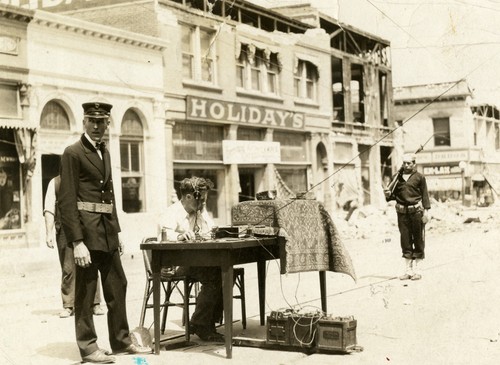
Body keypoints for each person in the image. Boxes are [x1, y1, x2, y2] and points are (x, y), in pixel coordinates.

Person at [58, 102, 150, 364]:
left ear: (108, 123)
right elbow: (66, 201)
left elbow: (109, 196)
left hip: (107, 233)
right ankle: (88, 348)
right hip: (86, 236)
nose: (97, 127)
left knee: (117, 285)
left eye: (102, 122)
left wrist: (116, 231)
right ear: (84, 122)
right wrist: (76, 242)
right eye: (92, 121)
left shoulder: (105, 152)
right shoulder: (73, 153)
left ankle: (120, 342)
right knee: (86, 294)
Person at [157, 177, 224, 342]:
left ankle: (205, 323)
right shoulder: (171, 212)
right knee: (215, 274)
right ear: (188, 197)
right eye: (200, 200)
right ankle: (201, 324)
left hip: (198, 261)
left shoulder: (199, 212)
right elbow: (162, 236)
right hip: (176, 265)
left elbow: (210, 230)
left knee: (222, 270)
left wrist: (207, 225)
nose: (202, 204)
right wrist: (180, 236)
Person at [44, 175, 105, 318]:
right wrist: (49, 233)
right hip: (64, 229)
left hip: (87, 227)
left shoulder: (84, 179)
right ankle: (69, 305)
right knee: (68, 268)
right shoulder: (56, 183)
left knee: (91, 263)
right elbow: (49, 209)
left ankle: (95, 303)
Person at [384, 153, 431, 281]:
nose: (406, 165)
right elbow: (392, 196)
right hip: (402, 213)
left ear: (414, 164)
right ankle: (408, 271)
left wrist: (426, 212)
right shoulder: (397, 177)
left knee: (418, 240)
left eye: (409, 163)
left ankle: (417, 270)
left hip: (416, 212)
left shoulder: (419, 177)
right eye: (404, 163)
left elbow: (425, 195)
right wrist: (387, 194)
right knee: (405, 240)